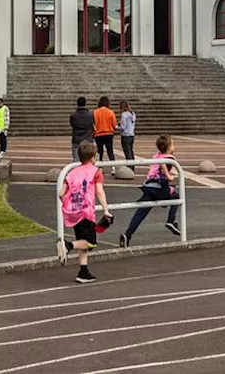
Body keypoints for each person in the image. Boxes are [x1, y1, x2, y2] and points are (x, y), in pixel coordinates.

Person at [57, 139, 111, 283]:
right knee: (90, 242)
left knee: (83, 241)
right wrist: (106, 210)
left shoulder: (72, 172)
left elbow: (61, 193)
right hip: (86, 211)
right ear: (93, 157)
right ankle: (68, 245)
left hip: (73, 211)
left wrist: (68, 204)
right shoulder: (96, 172)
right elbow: (99, 191)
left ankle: (83, 271)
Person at [119, 135, 182, 247]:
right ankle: (171, 221)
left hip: (149, 187)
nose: (174, 146)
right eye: (173, 144)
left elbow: (157, 167)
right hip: (160, 187)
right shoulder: (170, 159)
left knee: (141, 213)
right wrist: (168, 175)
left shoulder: (156, 155)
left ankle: (127, 234)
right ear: (168, 147)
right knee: (176, 196)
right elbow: (163, 165)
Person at [93, 96, 118, 172]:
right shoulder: (110, 112)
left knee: (99, 151)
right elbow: (114, 124)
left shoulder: (95, 112)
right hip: (109, 133)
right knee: (110, 151)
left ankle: (100, 167)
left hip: (98, 134)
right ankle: (113, 168)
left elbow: (93, 124)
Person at [69, 97, 93, 162]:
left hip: (76, 139)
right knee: (88, 158)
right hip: (87, 138)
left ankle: (77, 171)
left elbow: (72, 124)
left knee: (76, 159)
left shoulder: (73, 115)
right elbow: (92, 124)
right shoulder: (90, 115)